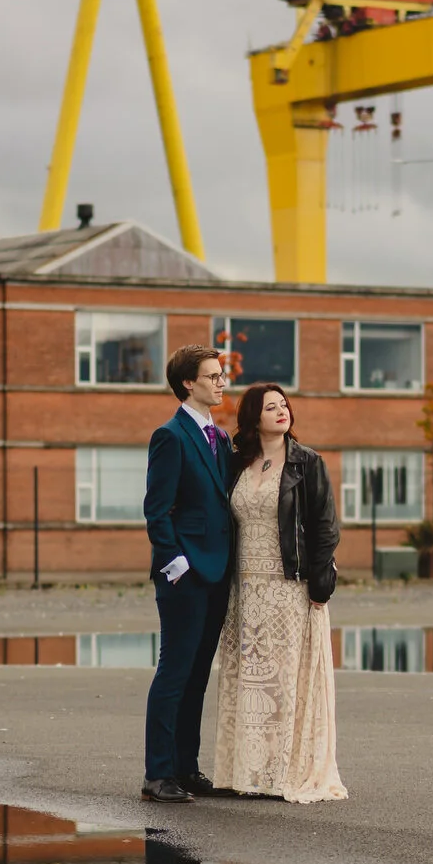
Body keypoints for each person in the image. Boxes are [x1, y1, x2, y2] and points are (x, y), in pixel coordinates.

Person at [214, 382, 346, 803]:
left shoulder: (307, 463)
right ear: (254, 417)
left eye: (284, 405)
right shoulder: (237, 465)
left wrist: (322, 582)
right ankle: (248, 772)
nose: (282, 411)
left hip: (290, 586)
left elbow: (325, 527)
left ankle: (282, 772)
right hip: (245, 589)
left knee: (285, 682)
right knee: (249, 682)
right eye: (271, 407)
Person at [141, 345, 233, 805]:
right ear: (188, 384)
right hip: (186, 574)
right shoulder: (170, 436)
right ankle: (158, 775)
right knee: (174, 672)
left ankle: (185, 767)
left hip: (218, 572)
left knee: (198, 674)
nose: (222, 382)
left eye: (222, 375)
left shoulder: (221, 438)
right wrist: (177, 567)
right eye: (213, 376)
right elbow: (156, 511)